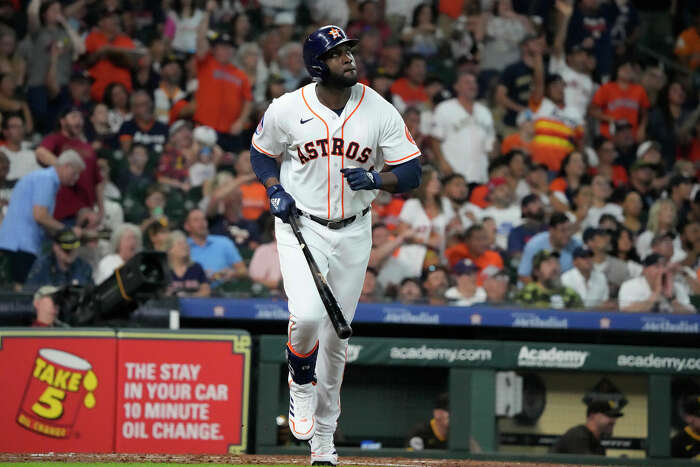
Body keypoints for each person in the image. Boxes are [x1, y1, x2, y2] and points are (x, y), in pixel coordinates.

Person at [250, 24, 421, 466]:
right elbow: (262, 151)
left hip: (354, 232)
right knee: (306, 316)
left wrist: (378, 180)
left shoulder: (377, 108)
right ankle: (299, 386)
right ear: (316, 65)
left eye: (349, 51)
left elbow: (412, 172)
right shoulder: (288, 108)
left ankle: (323, 443)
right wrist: (272, 187)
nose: (349, 58)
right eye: (337, 53)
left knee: (337, 339)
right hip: (300, 225)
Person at [0, 150, 84, 287]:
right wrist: (67, 230)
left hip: (15, 242)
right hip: (21, 245)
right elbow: (40, 215)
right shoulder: (46, 179)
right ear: (66, 166)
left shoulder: (44, 178)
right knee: (19, 293)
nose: (76, 179)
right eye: (75, 174)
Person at [194, 1, 253, 151]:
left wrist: (241, 121)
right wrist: (208, 13)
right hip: (205, 129)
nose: (226, 51)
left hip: (230, 132)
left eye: (229, 48)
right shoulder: (206, 63)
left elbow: (248, 100)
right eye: (222, 47)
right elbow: (200, 39)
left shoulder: (240, 75)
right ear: (214, 49)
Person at [35, 107, 104, 224]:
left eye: (81, 117)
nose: (79, 121)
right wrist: (62, 167)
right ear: (62, 121)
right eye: (73, 117)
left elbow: (97, 181)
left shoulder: (87, 147)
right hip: (62, 210)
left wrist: (102, 210)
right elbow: (41, 152)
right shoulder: (55, 139)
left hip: (86, 211)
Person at [430, 71, 495, 184]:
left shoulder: (484, 111)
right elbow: (435, 139)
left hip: (480, 174)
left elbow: (490, 144)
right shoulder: (444, 108)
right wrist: (443, 163)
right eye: (467, 82)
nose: (472, 85)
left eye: (474, 82)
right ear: (456, 86)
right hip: (454, 173)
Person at [184, 209, 247, 284]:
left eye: (203, 219)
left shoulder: (224, 242)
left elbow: (243, 270)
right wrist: (200, 275)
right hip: (193, 292)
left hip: (223, 291)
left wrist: (232, 273)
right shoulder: (182, 246)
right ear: (187, 226)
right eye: (196, 220)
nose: (201, 223)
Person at [618, 253, 692, 313]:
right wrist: (656, 293)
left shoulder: (676, 287)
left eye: (664, 266)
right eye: (657, 267)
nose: (662, 270)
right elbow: (625, 311)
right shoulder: (631, 286)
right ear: (645, 270)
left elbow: (691, 314)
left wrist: (671, 299)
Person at [518, 213, 580, 283]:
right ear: (551, 230)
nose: (567, 234)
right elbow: (523, 276)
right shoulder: (534, 245)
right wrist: (545, 291)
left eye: (569, 229)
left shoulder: (576, 245)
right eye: (563, 230)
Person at [24, 229, 93, 290]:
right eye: (67, 250)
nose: (71, 253)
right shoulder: (42, 267)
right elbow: (27, 297)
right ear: (55, 247)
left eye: (73, 248)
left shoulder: (84, 268)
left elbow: (93, 294)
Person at [550, 400, 624, 455]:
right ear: (592, 416)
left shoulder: (598, 445)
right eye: (609, 416)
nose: (613, 421)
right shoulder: (577, 435)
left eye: (615, 417)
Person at [516, 249, 583, 309]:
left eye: (557, 263)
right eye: (549, 263)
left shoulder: (571, 295)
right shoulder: (526, 294)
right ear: (537, 271)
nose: (554, 267)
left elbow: (582, 319)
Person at [165, 230, 210, 297]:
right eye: (180, 244)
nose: (184, 246)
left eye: (185, 243)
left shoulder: (196, 267)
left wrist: (189, 296)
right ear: (169, 250)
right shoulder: (164, 269)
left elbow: (206, 292)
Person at [1, 113, 41, 181]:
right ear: (5, 132)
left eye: (21, 126)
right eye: (14, 126)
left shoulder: (33, 152)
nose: (19, 130)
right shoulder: (1, 153)